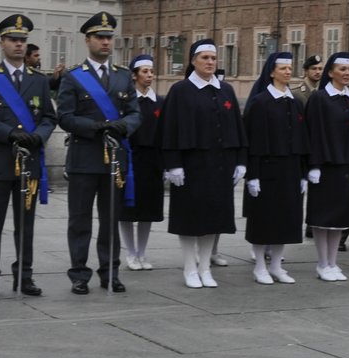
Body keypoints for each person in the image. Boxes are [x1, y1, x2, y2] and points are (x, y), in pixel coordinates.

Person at [0, 15, 57, 298]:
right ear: (2, 43)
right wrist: (8, 134)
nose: (19, 45)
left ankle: (25, 275)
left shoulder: (39, 80)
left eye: (22, 41)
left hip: (28, 161)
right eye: (13, 40)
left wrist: (39, 136)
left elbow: (49, 117)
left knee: (25, 224)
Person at [56, 13, 142, 295]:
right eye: (100, 37)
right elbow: (65, 117)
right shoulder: (73, 77)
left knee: (110, 221)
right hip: (84, 158)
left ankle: (110, 272)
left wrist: (122, 126)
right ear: (88, 40)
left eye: (109, 37)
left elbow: (135, 114)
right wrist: (95, 127)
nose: (106, 42)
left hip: (115, 160)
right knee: (79, 221)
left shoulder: (122, 76)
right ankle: (79, 274)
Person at [161, 40, 246, 288]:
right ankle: (190, 267)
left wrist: (241, 161)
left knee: (214, 218)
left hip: (220, 164)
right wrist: (173, 163)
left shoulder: (226, 90)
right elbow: (170, 129)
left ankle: (205, 267)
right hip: (191, 165)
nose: (210, 62)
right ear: (193, 61)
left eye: (213, 58)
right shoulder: (181, 90)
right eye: (205, 58)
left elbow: (237, 128)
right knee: (190, 219)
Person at [303, 51, 349, 281]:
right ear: (330, 72)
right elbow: (313, 132)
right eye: (342, 69)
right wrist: (314, 165)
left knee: (341, 218)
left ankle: (333, 262)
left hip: (347, 166)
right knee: (324, 219)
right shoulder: (320, 98)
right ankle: (322, 263)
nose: (347, 73)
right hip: (326, 166)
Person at [242, 51, 307, 284]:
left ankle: (277, 265)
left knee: (286, 220)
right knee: (264, 220)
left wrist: (303, 172)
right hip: (267, 169)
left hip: (290, 169)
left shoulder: (295, 102)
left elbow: (301, 138)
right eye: (283, 69)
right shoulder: (261, 102)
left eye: (290, 68)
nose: (288, 72)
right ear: (271, 72)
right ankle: (260, 265)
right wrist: (253, 175)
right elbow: (254, 140)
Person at [119, 54, 164, 270]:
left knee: (148, 209)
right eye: (145, 72)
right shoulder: (127, 100)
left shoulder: (160, 102)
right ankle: (130, 253)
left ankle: (142, 253)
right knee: (127, 210)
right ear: (134, 75)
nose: (149, 76)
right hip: (130, 159)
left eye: (151, 72)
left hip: (152, 160)